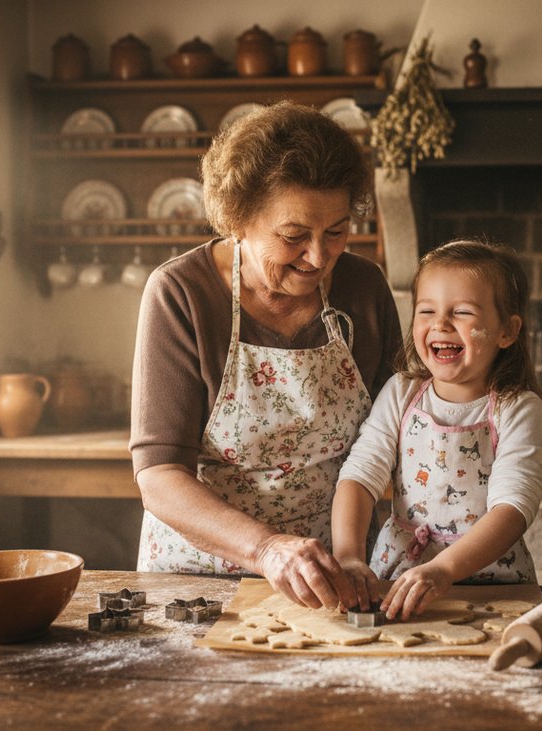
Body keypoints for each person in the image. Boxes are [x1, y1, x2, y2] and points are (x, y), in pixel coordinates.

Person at [130, 101, 402, 610]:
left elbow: (396, 437)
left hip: (335, 578)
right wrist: (268, 548)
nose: (318, 258)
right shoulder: (180, 294)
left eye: (337, 232)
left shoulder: (364, 289)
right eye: (294, 236)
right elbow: (160, 477)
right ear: (238, 221)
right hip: (199, 582)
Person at [331, 240, 542, 620]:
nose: (441, 323)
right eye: (427, 310)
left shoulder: (518, 408)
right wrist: (348, 557)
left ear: (507, 331)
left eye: (462, 312)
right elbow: (360, 476)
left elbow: (513, 508)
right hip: (396, 580)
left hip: (491, 586)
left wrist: (445, 569)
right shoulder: (400, 392)